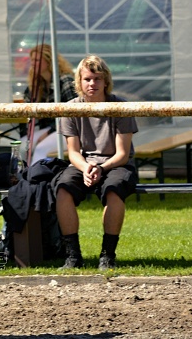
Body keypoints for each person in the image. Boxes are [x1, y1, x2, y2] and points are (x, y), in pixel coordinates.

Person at [53, 55, 138, 271]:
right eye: (88, 79)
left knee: (113, 190)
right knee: (62, 189)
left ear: (106, 81)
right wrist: (86, 168)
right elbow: (72, 152)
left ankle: (107, 255)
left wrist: (101, 168)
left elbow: (122, 154)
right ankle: (73, 256)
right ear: (79, 82)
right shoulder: (70, 108)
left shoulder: (120, 106)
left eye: (97, 79)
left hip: (117, 164)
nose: (92, 84)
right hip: (83, 163)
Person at [19, 43, 77, 164]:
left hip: (69, 130)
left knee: (41, 149)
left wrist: (48, 133)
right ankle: (23, 179)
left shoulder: (65, 81)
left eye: (37, 60)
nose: (33, 63)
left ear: (49, 61)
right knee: (22, 147)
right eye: (32, 60)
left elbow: (73, 115)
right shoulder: (37, 83)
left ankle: (39, 180)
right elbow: (27, 111)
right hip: (49, 129)